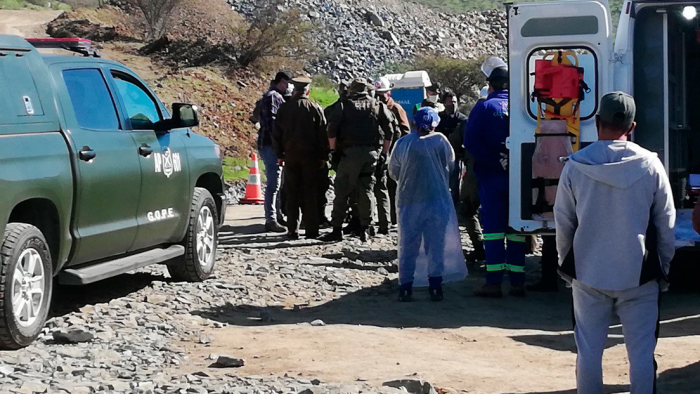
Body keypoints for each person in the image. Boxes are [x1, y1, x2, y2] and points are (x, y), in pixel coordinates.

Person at [554, 92, 675, 394]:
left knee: (589, 352)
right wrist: (664, 266)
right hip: (639, 276)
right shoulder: (650, 165)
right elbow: (666, 221)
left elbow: (564, 223)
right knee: (641, 355)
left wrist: (566, 265)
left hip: (588, 274)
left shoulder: (575, 165)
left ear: (597, 122)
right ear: (631, 126)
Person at [389, 107, 467, 302]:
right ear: (434, 123)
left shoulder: (403, 143)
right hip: (437, 199)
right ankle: (435, 286)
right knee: (436, 245)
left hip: (409, 201)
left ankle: (405, 287)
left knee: (408, 244)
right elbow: (450, 166)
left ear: (414, 122)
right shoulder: (440, 141)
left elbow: (393, 170)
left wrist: (408, 182)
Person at [464, 57, 527, 298]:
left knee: (492, 229)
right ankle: (518, 281)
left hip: (491, 176)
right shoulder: (523, 106)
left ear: (490, 84)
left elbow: (471, 142)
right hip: (519, 177)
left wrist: (495, 160)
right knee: (516, 228)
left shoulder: (483, 107)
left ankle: (493, 282)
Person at [322, 78, 394, 242]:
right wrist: (383, 153)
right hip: (371, 154)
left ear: (352, 90)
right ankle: (365, 228)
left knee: (342, 191)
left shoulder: (343, 106)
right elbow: (389, 131)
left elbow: (331, 130)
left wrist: (332, 150)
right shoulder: (377, 105)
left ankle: (337, 228)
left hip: (349, 154)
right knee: (366, 191)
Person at [273, 76, 329, 240]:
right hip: (311, 158)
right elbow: (322, 134)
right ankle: (311, 229)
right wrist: (323, 156)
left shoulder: (284, 109)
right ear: (308, 91)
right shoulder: (314, 108)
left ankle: (292, 230)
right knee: (310, 193)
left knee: (292, 193)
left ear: (294, 90)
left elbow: (277, 134)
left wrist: (279, 154)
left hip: (290, 156)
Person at [257, 70, 292, 233]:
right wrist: (279, 147)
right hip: (270, 145)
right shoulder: (273, 97)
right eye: (288, 83)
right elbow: (272, 123)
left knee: (277, 183)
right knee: (273, 183)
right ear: (282, 82)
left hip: (270, 145)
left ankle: (276, 216)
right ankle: (270, 219)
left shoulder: (274, 96)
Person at [375, 77, 410, 226]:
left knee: (393, 187)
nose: (379, 97)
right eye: (377, 94)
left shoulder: (396, 108)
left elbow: (405, 131)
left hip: (394, 154)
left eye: (382, 94)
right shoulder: (374, 108)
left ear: (389, 93)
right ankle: (385, 218)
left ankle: (395, 218)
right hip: (379, 153)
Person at [438, 91, 468, 208]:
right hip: (440, 156)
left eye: (454, 102)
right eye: (450, 102)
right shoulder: (439, 118)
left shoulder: (462, 119)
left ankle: (454, 207)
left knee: (454, 184)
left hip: (456, 156)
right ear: (445, 103)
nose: (453, 104)